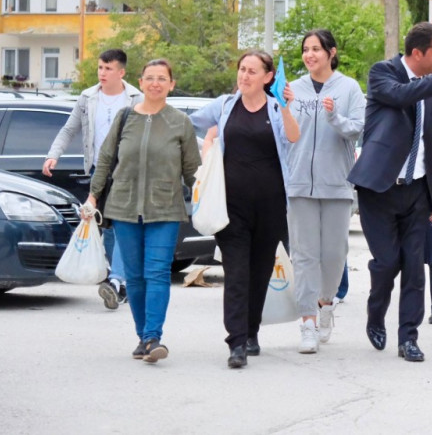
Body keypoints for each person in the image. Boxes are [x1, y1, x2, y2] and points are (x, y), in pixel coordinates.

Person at [348, 22, 432, 362]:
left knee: (415, 266)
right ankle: (375, 312)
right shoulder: (383, 73)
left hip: (418, 191)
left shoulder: (431, 88)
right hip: (379, 188)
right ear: (417, 53)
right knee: (387, 263)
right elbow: (400, 96)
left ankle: (408, 338)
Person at [85, 59, 200, 363]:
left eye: (162, 78)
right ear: (141, 82)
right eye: (150, 78)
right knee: (134, 276)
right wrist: (93, 198)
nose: (155, 83)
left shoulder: (180, 123)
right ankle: (142, 337)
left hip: (165, 209)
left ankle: (153, 337)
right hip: (123, 208)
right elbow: (106, 161)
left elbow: (192, 172)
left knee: (157, 272)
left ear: (171, 85)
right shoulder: (124, 119)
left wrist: (207, 199)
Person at [190, 50, 300, 369]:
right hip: (231, 208)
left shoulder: (277, 108)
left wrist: (289, 107)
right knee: (236, 273)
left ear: (268, 78)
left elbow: (293, 137)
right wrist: (208, 140)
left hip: (271, 206)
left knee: (259, 272)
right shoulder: (225, 105)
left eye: (252, 71)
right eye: (241, 69)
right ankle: (236, 342)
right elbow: (191, 124)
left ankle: (252, 332)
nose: (244, 76)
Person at [285, 29, 365, 353]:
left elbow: (359, 128)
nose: (309, 55)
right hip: (300, 183)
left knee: (334, 255)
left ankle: (326, 303)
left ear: (331, 52)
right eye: (306, 49)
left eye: (316, 49)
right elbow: (284, 132)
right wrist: (284, 107)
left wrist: (335, 117)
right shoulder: (293, 89)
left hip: (337, 184)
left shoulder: (349, 88)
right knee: (303, 256)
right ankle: (307, 322)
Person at [44, 48, 141, 310]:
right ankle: (122, 282)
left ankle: (117, 280)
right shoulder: (88, 98)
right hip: (99, 169)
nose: (102, 73)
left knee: (122, 225)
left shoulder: (135, 98)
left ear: (121, 72)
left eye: (108, 69)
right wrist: (54, 155)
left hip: (128, 172)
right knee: (107, 227)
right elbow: (69, 128)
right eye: (100, 68)